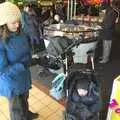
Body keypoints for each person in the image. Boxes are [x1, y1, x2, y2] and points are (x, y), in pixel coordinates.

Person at [0, 2, 38, 120]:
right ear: (3, 23)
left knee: (25, 98)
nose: (17, 25)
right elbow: (2, 70)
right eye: (13, 22)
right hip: (11, 81)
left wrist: (36, 59)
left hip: (24, 75)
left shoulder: (21, 32)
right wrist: (22, 65)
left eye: (18, 21)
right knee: (16, 108)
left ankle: (26, 114)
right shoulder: (1, 42)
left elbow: (26, 51)